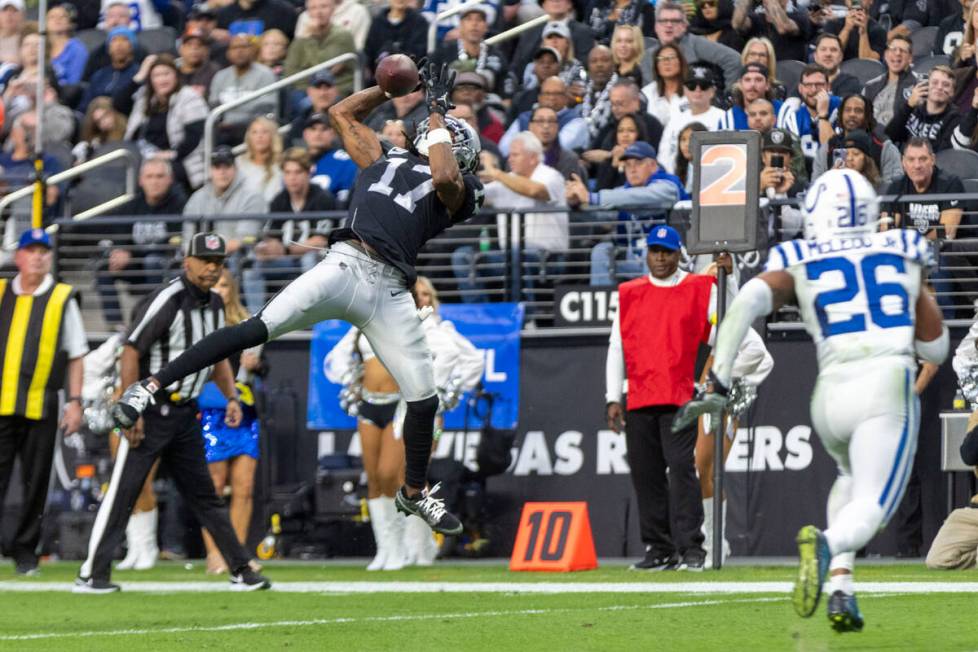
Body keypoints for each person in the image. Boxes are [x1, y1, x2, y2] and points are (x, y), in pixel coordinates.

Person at [112, 63, 486, 541]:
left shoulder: (464, 188)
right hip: (342, 265)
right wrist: (389, 89)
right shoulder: (384, 156)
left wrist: (433, 110)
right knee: (253, 329)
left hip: (390, 289)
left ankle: (414, 490)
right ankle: (149, 386)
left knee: (424, 397)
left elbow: (447, 178)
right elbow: (341, 114)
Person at [673, 168, 948, 632]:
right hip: (884, 383)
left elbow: (743, 305)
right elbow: (937, 348)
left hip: (830, 394)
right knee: (874, 506)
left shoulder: (799, 257)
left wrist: (718, 378)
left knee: (848, 476)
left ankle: (841, 585)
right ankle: (826, 544)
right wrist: (911, 296)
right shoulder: (899, 251)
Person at [77, 233, 271, 594]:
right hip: (151, 410)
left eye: (218, 262)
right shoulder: (168, 299)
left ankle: (240, 568)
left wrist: (231, 398)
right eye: (206, 261)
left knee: (207, 497)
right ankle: (92, 574)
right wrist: (130, 408)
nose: (212, 268)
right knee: (124, 492)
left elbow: (214, 358)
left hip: (186, 413)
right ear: (187, 261)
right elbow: (132, 351)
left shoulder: (214, 304)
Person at [325, 276, 484, 569]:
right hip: (370, 404)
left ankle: (415, 548)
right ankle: (387, 549)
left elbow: (453, 355)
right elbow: (335, 358)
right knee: (373, 478)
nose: (420, 298)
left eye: (424, 294)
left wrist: (430, 390)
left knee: (394, 474)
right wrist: (352, 381)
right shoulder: (367, 321)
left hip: (404, 406)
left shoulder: (421, 323)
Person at [604, 225, 711, 571]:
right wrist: (612, 396)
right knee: (646, 474)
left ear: (679, 254)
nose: (661, 257)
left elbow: (728, 308)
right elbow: (616, 345)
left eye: (666, 251)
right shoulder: (630, 293)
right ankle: (659, 548)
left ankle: (692, 547)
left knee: (681, 470)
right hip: (640, 395)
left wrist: (728, 273)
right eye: (655, 251)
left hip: (680, 394)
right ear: (647, 254)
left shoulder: (698, 287)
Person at [0, 229, 86, 575]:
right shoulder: (2, 292)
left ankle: (25, 552)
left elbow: (77, 354)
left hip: (41, 403)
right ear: (18, 257)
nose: (37, 257)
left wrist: (75, 401)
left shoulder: (61, 297)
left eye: (43, 251)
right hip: (1, 403)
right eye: (31, 251)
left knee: (36, 482)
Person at [198, 269, 264, 574]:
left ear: (232, 290)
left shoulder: (249, 324)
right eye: (216, 284)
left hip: (245, 409)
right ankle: (215, 553)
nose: (220, 289)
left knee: (244, 487)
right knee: (214, 486)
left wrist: (257, 365)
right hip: (211, 409)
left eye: (225, 285)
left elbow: (258, 371)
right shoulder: (199, 322)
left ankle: (238, 553)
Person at [565, 141, 687, 286]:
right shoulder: (622, 193)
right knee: (601, 251)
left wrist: (592, 197)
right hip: (632, 258)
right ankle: (605, 303)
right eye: (628, 165)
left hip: (668, 260)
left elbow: (641, 196)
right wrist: (578, 202)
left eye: (638, 163)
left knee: (651, 255)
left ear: (653, 166)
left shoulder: (668, 185)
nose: (632, 169)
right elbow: (601, 213)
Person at [244, 147, 338, 312]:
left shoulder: (323, 199)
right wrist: (268, 249)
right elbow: (272, 236)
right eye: (287, 173)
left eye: (297, 172)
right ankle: (256, 322)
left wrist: (286, 249)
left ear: (308, 173)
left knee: (309, 260)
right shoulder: (279, 201)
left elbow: (320, 240)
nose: (292, 178)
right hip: (286, 260)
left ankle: (312, 317)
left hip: (318, 260)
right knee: (252, 271)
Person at [97, 157, 189, 325]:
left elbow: (174, 242)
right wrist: (120, 250)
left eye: (160, 176)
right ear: (141, 180)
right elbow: (119, 233)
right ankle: (116, 325)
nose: (154, 182)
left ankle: (154, 319)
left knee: (152, 260)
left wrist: (131, 252)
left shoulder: (180, 204)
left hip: (166, 265)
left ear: (170, 179)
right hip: (137, 266)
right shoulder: (133, 205)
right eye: (150, 176)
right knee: (104, 266)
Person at [881, 138, 965, 316]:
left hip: (938, 249)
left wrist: (911, 242)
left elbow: (947, 230)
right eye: (911, 160)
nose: (916, 165)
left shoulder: (950, 183)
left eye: (922, 159)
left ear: (932, 160)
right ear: (903, 162)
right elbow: (886, 230)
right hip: (903, 250)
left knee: (938, 270)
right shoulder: (896, 187)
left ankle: (947, 329)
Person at [114, 54, 209, 190]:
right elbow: (118, 103)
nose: (162, 79)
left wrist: (171, 154)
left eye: (166, 74)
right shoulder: (145, 97)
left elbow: (194, 137)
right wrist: (140, 75)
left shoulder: (189, 96)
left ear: (176, 75)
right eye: (156, 75)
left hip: (180, 160)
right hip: (143, 157)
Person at [182, 145, 267, 261]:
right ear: (210, 170)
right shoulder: (197, 198)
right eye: (217, 167)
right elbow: (188, 239)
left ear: (235, 168)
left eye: (227, 166)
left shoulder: (252, 196)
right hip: (201, 260)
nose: (222, 172)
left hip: (240, 260)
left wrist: (207, 254)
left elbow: (243, 241)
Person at [811, 94, 903, 184]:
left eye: (858, 111)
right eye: (847, 110)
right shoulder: (828, 148)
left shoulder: (884, 148)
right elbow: (814, 188)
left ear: (868, 116)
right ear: (840, 115)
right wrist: (830, 177)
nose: (852, 114)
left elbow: (893, 188)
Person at [653, 1, 742, 92]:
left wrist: (729, 97)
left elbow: (733, 60)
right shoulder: (648, 55)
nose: (669, 25)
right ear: (656, 27)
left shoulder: (694, 43)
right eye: (663, 21)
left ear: (684, 26)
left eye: (675, 21)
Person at [209, 34, 278, 147]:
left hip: (254, 127)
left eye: (244, 47)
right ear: (228, 53)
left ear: (252, 50)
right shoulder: (220, 76)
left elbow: (267, 105)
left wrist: (233, 112)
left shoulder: (266, 74)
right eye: (235, 48)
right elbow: (214, 105)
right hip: (224, 130)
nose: (239, 51)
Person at [429, 3, 508, 99]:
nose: (474, 24)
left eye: (479, 19)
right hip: (448, 106)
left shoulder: (497, 56)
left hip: (485, 106)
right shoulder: (443, 52)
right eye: (469, 19)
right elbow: (430, 87)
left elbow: (506, 97)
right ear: (460, 26)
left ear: (486, 27)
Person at [658, 64, 724, 174]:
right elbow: (664, 156)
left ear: (712, 91)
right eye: (692, 86)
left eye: (703, 86)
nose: (697, 90)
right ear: (685, 90)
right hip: (675, 180)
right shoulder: (675, 121)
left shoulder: (723, 118)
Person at [884, 65, 967, 152]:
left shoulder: (955, 118)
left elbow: (944, 154)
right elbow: (890, 136)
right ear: (927, 86)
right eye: (935, 82)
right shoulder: (912, 108)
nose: (939, 87)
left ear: (952, 92)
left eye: (946, 85)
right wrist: (908, 106)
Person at [283, 0, 356, 96]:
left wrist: (311, 38)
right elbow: (290, 71)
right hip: (306, 89)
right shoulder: (302, 38)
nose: (319, 12)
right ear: (307, 12)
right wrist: (310, 89)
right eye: (313, 8)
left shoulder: (343, 36)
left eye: (324, 6)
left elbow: (323, 72)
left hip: (337, 88)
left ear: (333, 9)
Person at [778, 64, 841, 170]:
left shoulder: (842, 108)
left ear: (828, 87)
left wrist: (822, 115)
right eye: (808, 85)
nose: (813, 89)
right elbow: (789, 160)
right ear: (800, 89)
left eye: (819, 84)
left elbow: (833, 151)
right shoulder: (793, 116)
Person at [78, 26, 139, 114]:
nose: (119, 44)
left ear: (132, 46)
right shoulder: (99, 75)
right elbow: (84, 106)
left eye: (124, 40)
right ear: (109, 48)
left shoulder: (138, 74)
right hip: (94, 117)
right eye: (114, 40)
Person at [363, 0, 428, 81]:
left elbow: (419, 53)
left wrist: (392, 52)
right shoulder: (377, 21)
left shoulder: (419, 21)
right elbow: (369, 51)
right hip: (379, 78)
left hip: (408, 78)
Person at [731, 0, 813, 62]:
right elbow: (737, 24)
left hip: (788, 74)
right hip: (759, 73)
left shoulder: (800, 18)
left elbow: (783, 27)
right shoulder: (755, 19)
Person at [235, 116, 284, 203]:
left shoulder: (282, 164)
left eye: (264, 132)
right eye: (255, 132)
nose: (259, 136)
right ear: (249, 137)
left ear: (272, 136)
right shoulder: (238, 163)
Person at [821, 0, 886, 61]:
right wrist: (846, 29)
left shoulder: (878, 30)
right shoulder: (832, 24)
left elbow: (869, 63)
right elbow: (829, 56)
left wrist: (863, 32)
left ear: (871, 1)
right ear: (846, 1)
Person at [641, 43, 687, 128]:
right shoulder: (647, 93)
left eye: (671, 57)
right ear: (656, 66)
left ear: (680, 62)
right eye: (661, 59)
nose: (666, 62)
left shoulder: (694, 89)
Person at [811, 33, 862, 98]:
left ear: (841, 56)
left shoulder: (850, 83)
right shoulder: (805, 81)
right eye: (823, 49)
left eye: (833, 50)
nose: (828, 54)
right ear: (815, 56)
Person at [177, 27, 221, 98]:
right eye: (189, 44)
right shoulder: (173, 71)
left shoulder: (215, 72)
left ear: (206, 50)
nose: (194, 48)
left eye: (200, 45)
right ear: (181, 49)